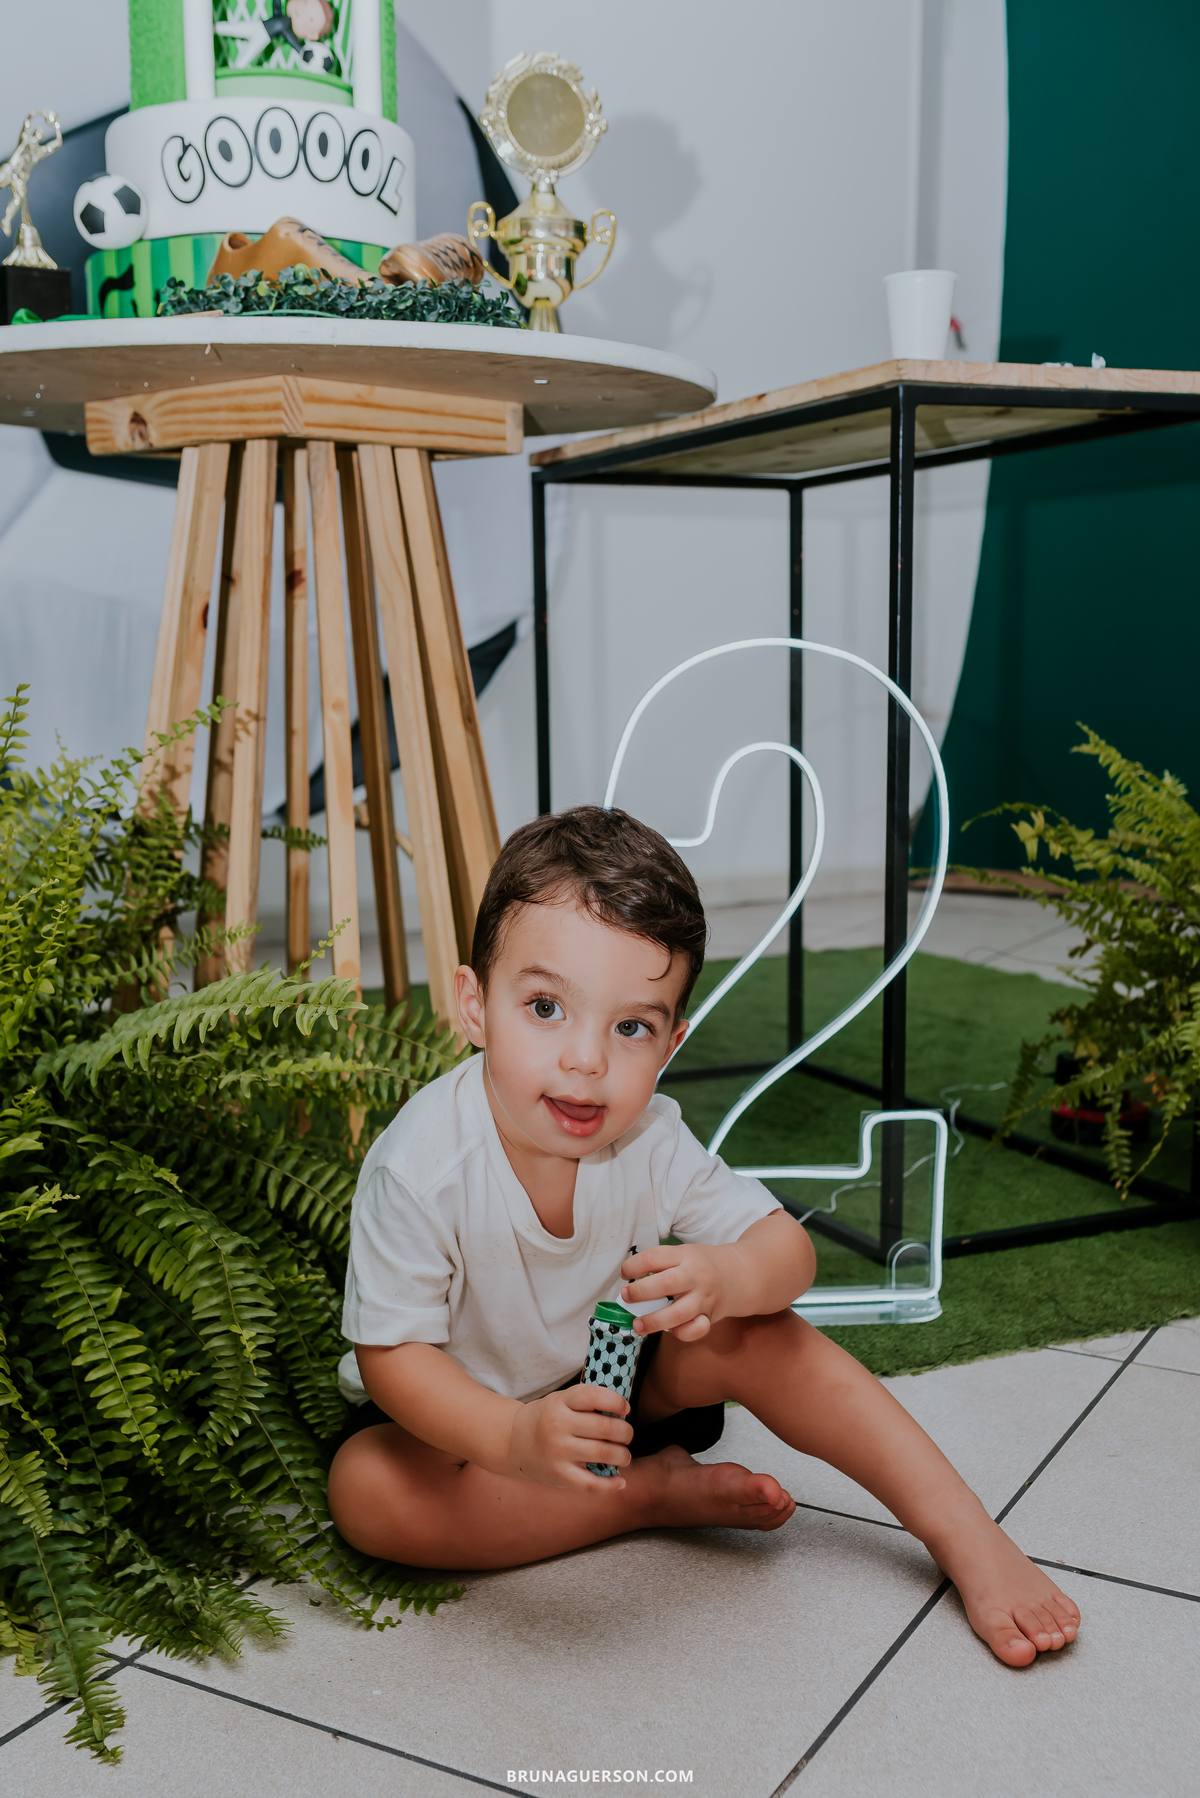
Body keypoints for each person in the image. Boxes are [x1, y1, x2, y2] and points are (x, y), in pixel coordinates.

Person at [328, 807, 1080, 1667]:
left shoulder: (650, 1135)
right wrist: (512, 1439)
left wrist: (729, 1275)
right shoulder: (422, 1166)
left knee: (760, 1333)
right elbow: (393, 1358)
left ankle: (965, 1531)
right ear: (473, 1005)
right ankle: (644, 1500)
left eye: (631, 1027)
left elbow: (788, 1254)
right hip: (465, 1431)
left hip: (621, 1392)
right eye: (544, 1007)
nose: (586, 1060)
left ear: (671, 1044)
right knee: (368, 1495)